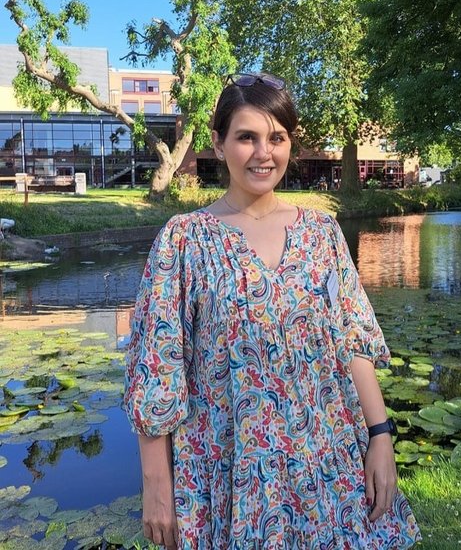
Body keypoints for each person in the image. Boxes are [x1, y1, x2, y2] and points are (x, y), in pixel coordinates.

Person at [124, 73, 421, 549]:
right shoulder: (183, 241)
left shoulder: (322, 233)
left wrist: (381, 435)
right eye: (247, 137)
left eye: (277, 138)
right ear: (218, 143)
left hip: (326, 460)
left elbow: (353, 339)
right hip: (231, 472)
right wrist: (157, 485)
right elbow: (157, 370)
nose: (264, 153)